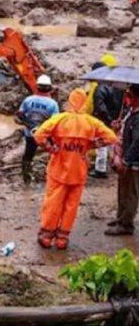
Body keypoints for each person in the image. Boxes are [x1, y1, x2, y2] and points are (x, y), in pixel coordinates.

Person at [34, 89, 117, 249]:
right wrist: (91, 145)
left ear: (70, 101)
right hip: (78, 171)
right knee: (71, 206)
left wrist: (50, 147)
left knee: (53, 202)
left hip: (58, 169)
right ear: (84, 102)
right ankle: (62, 239)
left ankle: (46, 235)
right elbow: (111, 137)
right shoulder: (91, 122)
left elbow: (38, 135)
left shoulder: (60, 119)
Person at [105, 85, 139, 236]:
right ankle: (121, 217)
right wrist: (118, 126)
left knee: (131, 192)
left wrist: (127, 160)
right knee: (122, 190)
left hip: (134, 161)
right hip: (127, 158)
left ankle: (126, 224)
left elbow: (138, 141)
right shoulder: (130, 112)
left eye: (129, 95)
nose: (126, 98)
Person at [17, 75, 60, 184]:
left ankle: (26, 178)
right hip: (46, 136)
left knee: (28, 155)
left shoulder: (28, 100)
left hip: (30, 134)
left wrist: (31, 125)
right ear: (49, 88)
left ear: (37, 87)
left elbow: (20, 115)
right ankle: (52, 175)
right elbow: (55, 122)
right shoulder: (53, 104)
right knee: (53, 154)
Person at [91, 55, 123, 178]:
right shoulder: (117, 86)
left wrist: (108, 120)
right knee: (115, 143)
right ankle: (115, 164)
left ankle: (100, 170)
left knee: (102, 145)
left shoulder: (100, 88)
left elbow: (100, 107)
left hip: (104, 120)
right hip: (117, 118)